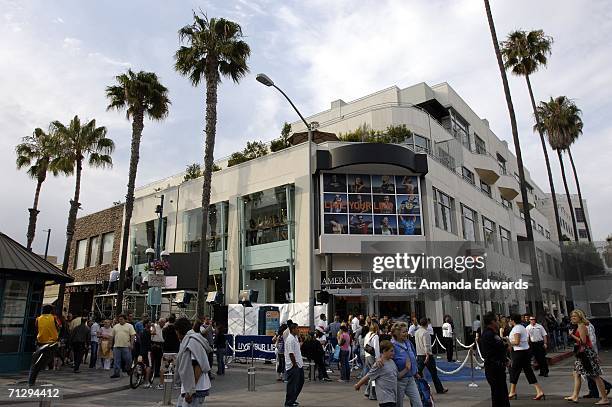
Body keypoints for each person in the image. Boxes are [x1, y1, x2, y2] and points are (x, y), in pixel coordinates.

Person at [564, 309, 609, 404]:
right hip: (582, 353)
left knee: (595, 375)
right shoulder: (579, 326)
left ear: (580, 317)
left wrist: (572, 335)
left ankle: (604, 398)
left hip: (585, 353)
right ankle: (575, 396)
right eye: (572, 317)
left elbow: (583, 342)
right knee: (576, 373)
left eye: (574, 317)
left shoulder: (581, 326)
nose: (572, 318)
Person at [174, 317, 211, 407]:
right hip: (192, 388)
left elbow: (198, 366)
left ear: (179, 331)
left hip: (195, 389)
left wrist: (190, 391)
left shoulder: (192, 342)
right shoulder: (190, 340)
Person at [507, 314, 545, 400]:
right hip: (524, 351)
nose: (509, 321)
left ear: (513, 320)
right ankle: (539, 391)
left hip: (519, 352)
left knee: (514, 371)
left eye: (510, 320)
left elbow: (516, 342)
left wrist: (508, 342)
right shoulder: (522, 327)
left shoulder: (517, 328)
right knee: (528, 371)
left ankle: (512, 392)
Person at [480, 312, 510, 407]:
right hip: (493, 367)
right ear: (492, 322)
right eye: (497, 320)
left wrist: (505, 359)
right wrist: (505, 345)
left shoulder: (493, 333)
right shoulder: (488, 334)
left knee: (502, 392)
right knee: (497, 393)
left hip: (498, 367)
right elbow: (496, 349)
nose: (498, 322)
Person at [354, 340, 398, 407]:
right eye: (391, 351)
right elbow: (368, 375)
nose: (393, 353)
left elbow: (397, 375)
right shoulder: (379, 364)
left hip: (393, 397)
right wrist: (358, 385)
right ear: (384, 351)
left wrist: (407, 369)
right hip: (385, 398)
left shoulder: (392, 362)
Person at [390, 322, 422, 407]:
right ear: (397, 333)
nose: (406, 333)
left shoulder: (408, 342)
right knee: (398, 405)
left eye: (406, 331)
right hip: (399, 380)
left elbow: (413, 356)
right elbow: (386, 358)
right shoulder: (392, 345)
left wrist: (415, 372)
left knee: (418, 403)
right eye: (404, 332)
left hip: (411, 379)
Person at [28, 305, 60, 385]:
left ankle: (31, 381)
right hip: (52, 343)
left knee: (36, 362)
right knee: (46, 359)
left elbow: (36, 330)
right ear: (50, 311)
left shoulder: (38, 319)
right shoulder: (54, 318)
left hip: (41, 342)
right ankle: (49, 365)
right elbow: (59, 327)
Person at [415, 317, 447, 394]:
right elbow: (426, 345)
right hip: (427, 355)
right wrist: (427, 355)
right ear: (427, 323)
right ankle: (439, 389)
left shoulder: (417, 332)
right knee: (434, 373)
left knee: (418, 373)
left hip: (419, 354)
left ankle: (417, 389)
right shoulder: (425, 333)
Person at [584, 319, 612, 399]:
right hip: (586, 351)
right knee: (588, 372)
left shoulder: (588, 326)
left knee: (591, 372)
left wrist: (591, 352)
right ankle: (593, 391)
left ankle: (606, 385)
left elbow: (592, 340)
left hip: (589, 352)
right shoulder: (582, 325)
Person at [284, 322, 304, 407]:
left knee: (300, 382)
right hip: (293, 366)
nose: (298, 330)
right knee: (292, 384)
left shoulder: (295, 337)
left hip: (299, 364)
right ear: (293, 329)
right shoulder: (290, 339)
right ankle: (288, 402)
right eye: (297, 328)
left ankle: (293, 399)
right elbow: (291, 353)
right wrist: (294, 364)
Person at [110, 314, 136, 378]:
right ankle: (116, 373)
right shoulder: (115, 326)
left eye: (121, 319)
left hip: (126, 346)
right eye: (119, 319)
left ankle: (127, 369)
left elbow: (132, 335)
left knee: (128, 359)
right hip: (116, 346)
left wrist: (132, 344)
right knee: (116, 360)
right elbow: (112, 336)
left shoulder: (129, 326)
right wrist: (110, 344)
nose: (120, 320)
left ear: (125, 320)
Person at [159, 314, 180, 389]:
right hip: (175, 350)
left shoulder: (164, 329)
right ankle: (175, 384)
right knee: (175, 368)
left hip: (166, 350)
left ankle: (161, 384)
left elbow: (163, 338)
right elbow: (179, 338)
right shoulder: (177, 329)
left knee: (163, 368)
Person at [150, 317, 165, 382]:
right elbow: (151, 334)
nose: (163, 324)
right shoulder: (155, 327)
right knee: (153, 359)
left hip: (161, 344)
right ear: (159, 322)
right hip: (155, 344)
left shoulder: (165, 328)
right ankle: (152, 371)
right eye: (162, 322)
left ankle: (157, 372)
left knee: (159, 359)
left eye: (164, 322)